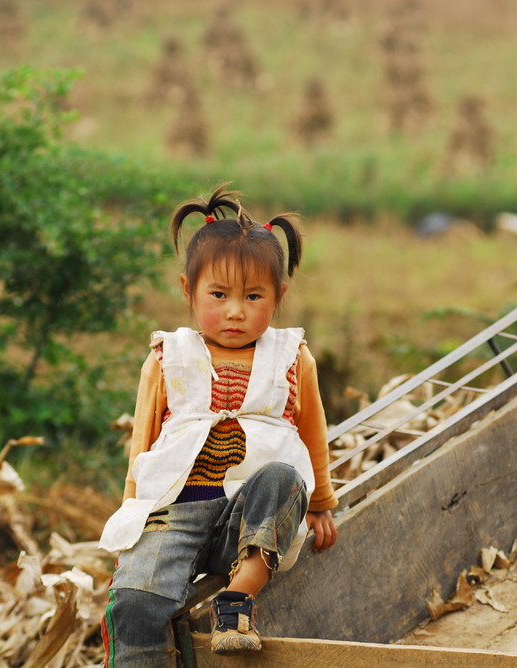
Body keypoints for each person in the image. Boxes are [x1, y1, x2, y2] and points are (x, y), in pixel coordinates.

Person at [99, 185, 338, 666]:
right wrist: (131, 514)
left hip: (246, 519)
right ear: (189, 291)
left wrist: (320, 503)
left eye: (254, 296)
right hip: (175, 514)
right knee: (133, 602)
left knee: (282, 478)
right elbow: (143, 443)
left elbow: (312, 430)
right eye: (219, 294)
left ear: (279, 297)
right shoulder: (170, 357)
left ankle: (236, 602)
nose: (235, 310)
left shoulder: (292, 357)